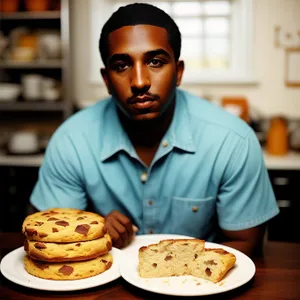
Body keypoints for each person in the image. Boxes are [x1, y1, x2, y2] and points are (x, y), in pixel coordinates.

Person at [29, 3, 279, 256]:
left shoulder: (232, 141)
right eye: (121, 66)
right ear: (106, 80)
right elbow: (44, 237)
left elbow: (245, 244)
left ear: (178, 72)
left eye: (156, 62)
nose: (139, 82)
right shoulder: (72, 140)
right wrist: (92, 228)